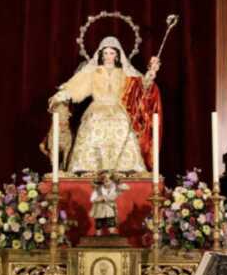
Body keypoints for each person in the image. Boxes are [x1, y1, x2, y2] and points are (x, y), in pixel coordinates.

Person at [48, 36, 162, 173]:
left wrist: (151, 73)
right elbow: (76, 87)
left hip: (118, 110)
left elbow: (141, 87)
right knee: (92, 125)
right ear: (101, 55)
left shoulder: (124, 73)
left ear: (117, 55)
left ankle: (124, 168)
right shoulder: (92, 72)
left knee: (122, 126)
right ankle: (88, 168)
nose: (109, 56)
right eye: (106, 53)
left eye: (112, 53)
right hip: (96, 110)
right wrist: (62, 95)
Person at [90, 170, 128, 235]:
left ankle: (112, 231)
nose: (106, 183)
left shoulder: (115, 188)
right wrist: (98, 199)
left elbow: (126, 188)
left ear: (112, 181)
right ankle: (98, 233)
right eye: (104, 181)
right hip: (100, 207)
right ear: (102, 181)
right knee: (99, 220)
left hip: (109, 206)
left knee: (111, 219)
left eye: (108, 181)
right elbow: (92, 199)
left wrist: (120, 186)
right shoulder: (98, 189)